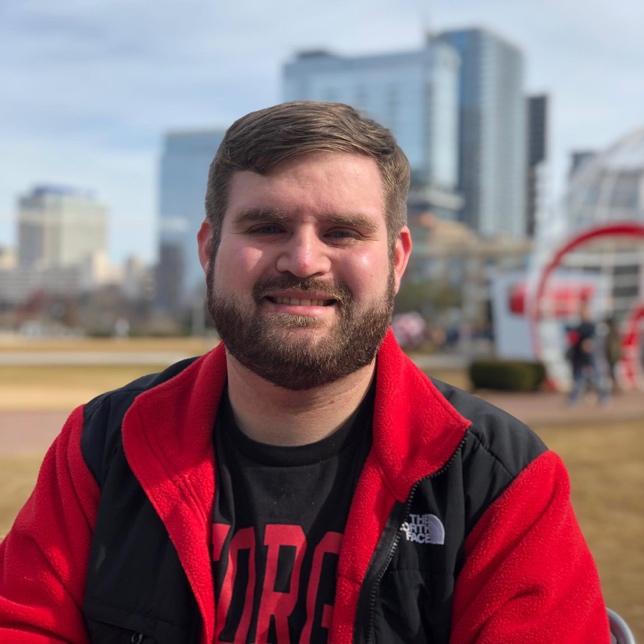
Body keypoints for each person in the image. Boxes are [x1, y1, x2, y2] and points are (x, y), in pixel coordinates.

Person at [0, 102, 609, 643]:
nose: (303, 260)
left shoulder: (500, 480)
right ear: (209, 249)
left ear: (396, 259)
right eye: (267, 227)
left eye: (343, 231)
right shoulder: (103, 443)